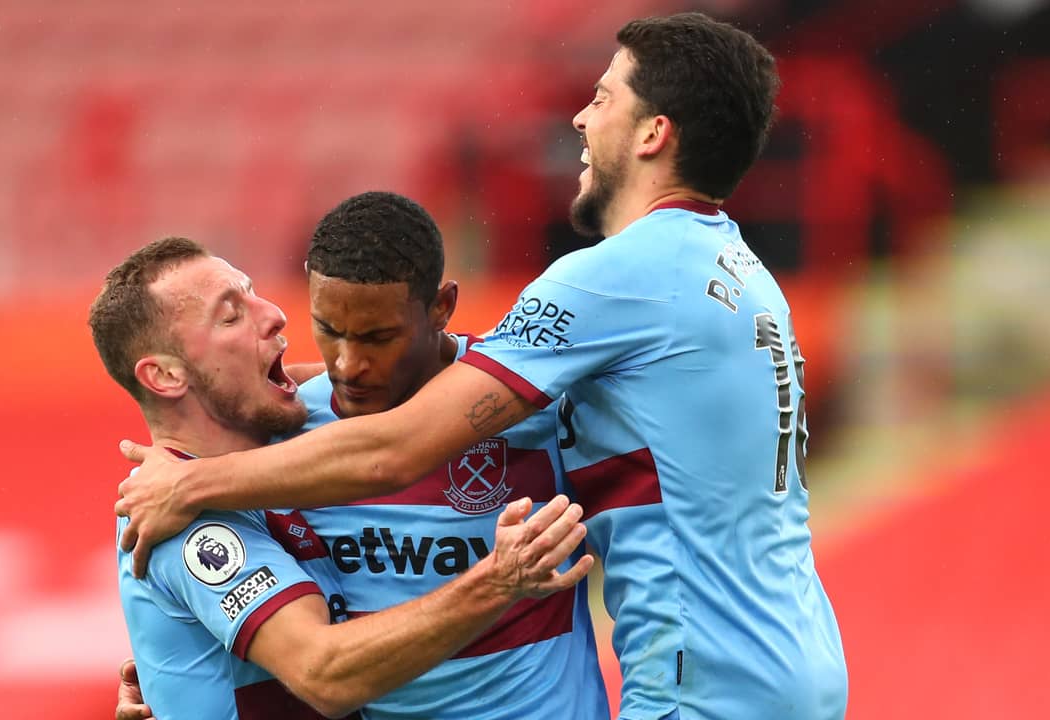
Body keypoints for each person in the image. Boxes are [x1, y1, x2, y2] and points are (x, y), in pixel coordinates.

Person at [116, 13, 849, 720]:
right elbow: (442, 369)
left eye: (602, 99)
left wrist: (187, 484)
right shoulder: (735, 271)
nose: (580, 121)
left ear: (655, 134)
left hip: (703, 682)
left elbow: (395, 447)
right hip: (792, 651)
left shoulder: (617, 275)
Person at [116, 192, 609, 720]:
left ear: (441, 307)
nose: (349, 365)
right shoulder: (286, 433)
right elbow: (300, 655)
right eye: (328, 330)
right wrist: (176, 671)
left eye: (378, 337)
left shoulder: (526, 405)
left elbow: (629, 538)